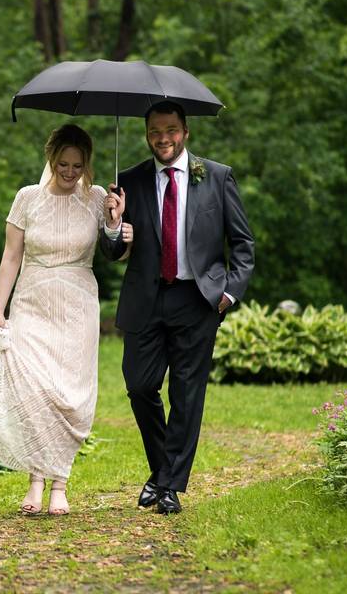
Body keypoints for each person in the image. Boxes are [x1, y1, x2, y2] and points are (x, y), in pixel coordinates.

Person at [100, 100, 254, 514]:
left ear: (185, 132)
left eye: (170, 130)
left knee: (187, 393)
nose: (162, 138)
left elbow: (243, 243)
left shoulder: (217, 176)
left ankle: (168, 485)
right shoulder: (127, 181)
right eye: (154, 132)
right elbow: (113, 252)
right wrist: (114, 225)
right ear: (146, 135)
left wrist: (229, 292)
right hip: (145, 299)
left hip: (198, 299)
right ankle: (163, 469)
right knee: (139, 384)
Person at [0, 124, 134, 516]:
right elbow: (11, 257)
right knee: (35, 389)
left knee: (69, 395)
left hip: (77, 305)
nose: (70, 171)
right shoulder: (27, 199)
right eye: (63, 163)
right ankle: (36, 480)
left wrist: (115, 224)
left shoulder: (99, 197)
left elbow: (115, 255)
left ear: (87, 164)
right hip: (32, 301)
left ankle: (60, 484)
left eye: (78, 165)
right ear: (51, 159)